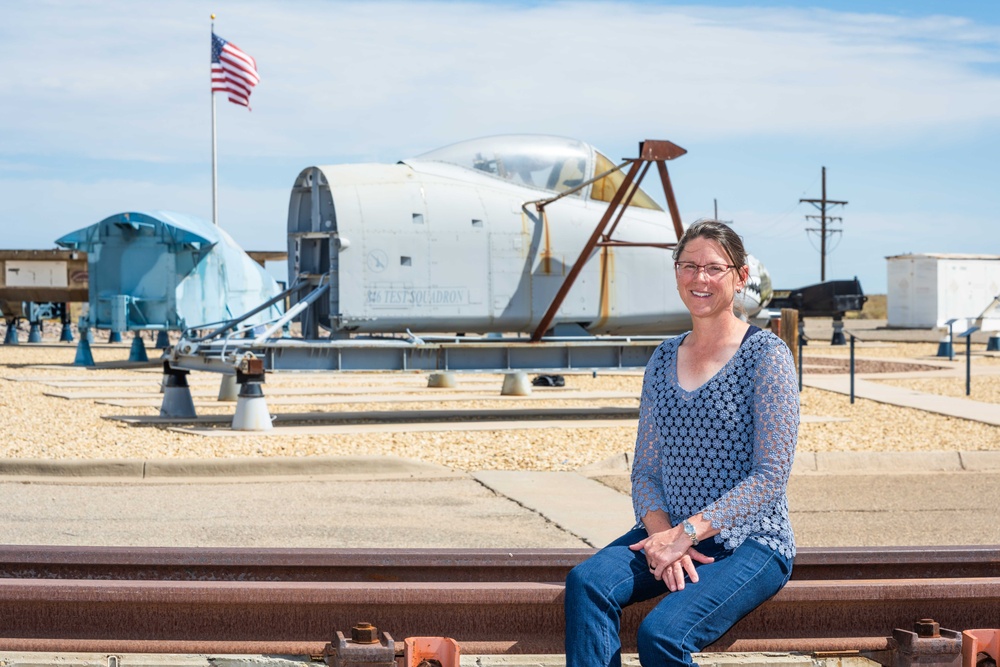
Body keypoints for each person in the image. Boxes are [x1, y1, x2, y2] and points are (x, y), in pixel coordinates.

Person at [564, 219, 799, 667]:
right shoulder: (663, 357)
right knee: (587, 584)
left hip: (749, 540)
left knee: (662, 635)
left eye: (714, 267)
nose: (700, 278)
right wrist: (663, 538)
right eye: (688, 266)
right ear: (676, 274)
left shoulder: (766, 356)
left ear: (740, 276)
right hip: (668, 530)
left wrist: (687, 533)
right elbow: (647, 468)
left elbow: (770, 477)